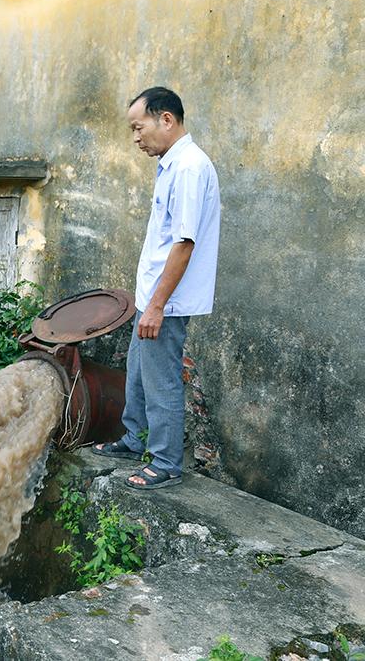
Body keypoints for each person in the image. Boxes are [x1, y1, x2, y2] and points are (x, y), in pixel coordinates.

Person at [92, 86, 221, 490]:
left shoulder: (188, 168)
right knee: (137, 371)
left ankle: (165, 462)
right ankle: (134, 438)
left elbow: (184, 244)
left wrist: (156, 306)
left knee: (161, 379)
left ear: (166, 119)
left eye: (138, 127)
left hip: (165, 303)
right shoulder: (172, 165)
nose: (136, 138)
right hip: (153, 299)